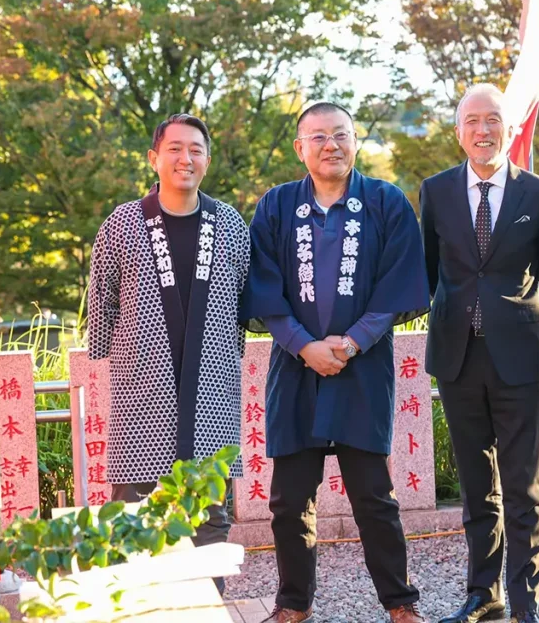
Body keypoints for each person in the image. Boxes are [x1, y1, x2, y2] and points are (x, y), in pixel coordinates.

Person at [241, 101, 430, 623]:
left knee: (374, 495)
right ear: (300, 147)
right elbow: (263, 289)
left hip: (363, 369)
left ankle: (400, 604)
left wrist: (350, 343)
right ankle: (292, 604)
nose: (331, 145)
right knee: (289, 499)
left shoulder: (386, 202)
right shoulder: (276, 207)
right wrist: (305, 346)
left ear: (355, 141)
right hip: (294, 368)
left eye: (341, 135)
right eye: (319, 137)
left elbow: (398, 287)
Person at [87, 113, 251, 594]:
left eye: (196, 149)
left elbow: (243, 299)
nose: (186, 158)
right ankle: (137, 604)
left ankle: (207, 606)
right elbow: (104, 295)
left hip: (211, 387)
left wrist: (229, 350)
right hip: (142, 386)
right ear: (154, 158)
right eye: (175, 148)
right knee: (131, 512)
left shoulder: (230, 224)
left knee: (210, 512)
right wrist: (105, 351)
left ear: (207, 159)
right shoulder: (123, 222)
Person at [420, 83, 539, 623]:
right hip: (457, 355)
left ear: (510, 127)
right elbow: (433, 270)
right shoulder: (435, 191)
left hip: (519, 358)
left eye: (493, 120)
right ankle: (485, 593)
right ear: (459, 133)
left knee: (524, 486)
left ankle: (527, 601)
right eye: (472, 121)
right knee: (477, 486)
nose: (483, 130)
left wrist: (518, 320)